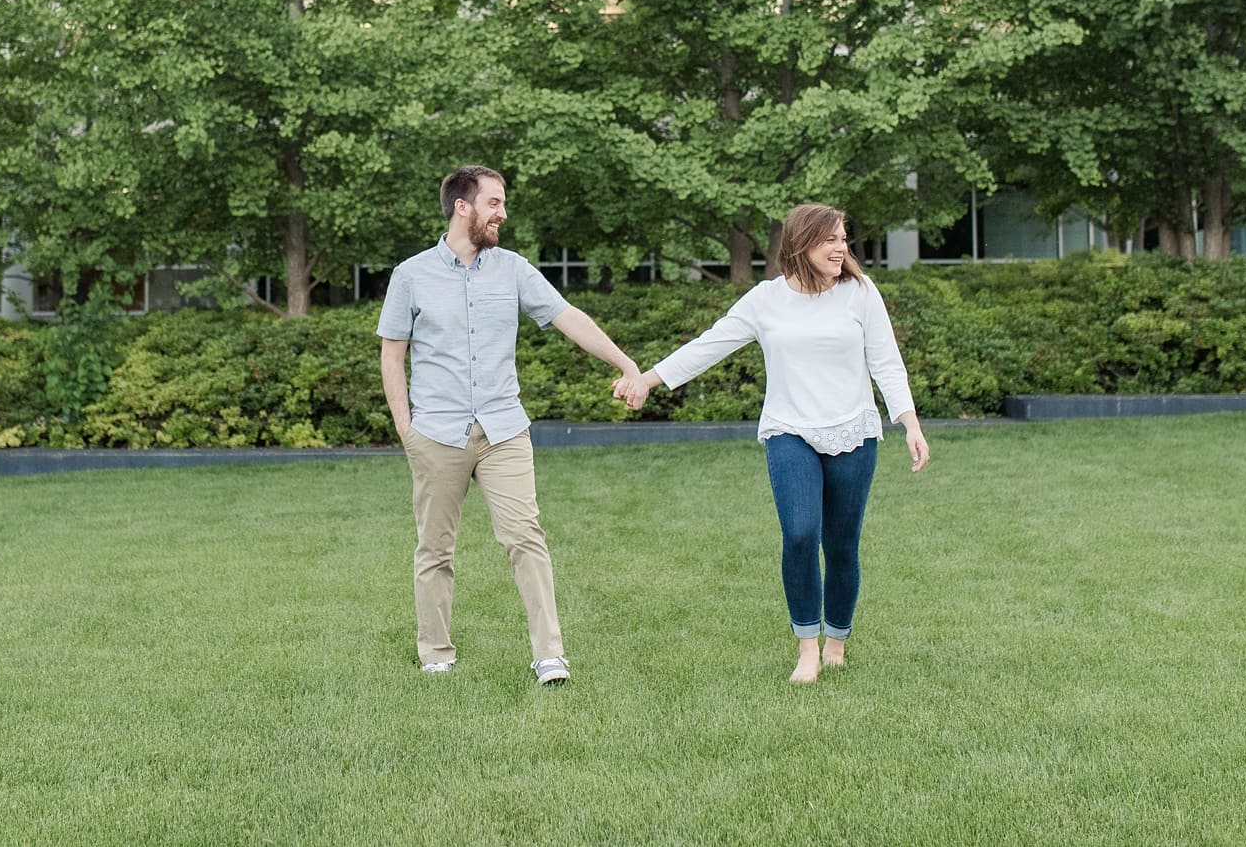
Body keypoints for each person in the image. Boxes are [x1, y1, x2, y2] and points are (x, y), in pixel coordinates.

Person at [613, 203, 929, 684]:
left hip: (853, 431)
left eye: (844, 239)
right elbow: (710, 344)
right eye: (830, 240)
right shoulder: (765, 300)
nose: (841, 248)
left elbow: (886, 362)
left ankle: (837, 639)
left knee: (841, 545)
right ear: (801, 244)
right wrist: (648, 380)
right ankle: (807, 648)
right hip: (789, 430)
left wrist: (908, 422)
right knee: (801, 535)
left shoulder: (860, 293)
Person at [378, 164, 642, 686]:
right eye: (494, 203)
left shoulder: (513, 269)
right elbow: (392, 357)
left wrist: (626, 364)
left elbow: (569, 317)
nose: (503, 213)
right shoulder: (410, 275)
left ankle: (549, 654)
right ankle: (435, 652)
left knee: (526, 537)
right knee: (435, 548)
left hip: (503, 430)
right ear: (463, 206)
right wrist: (408, 430)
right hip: (437, 434)